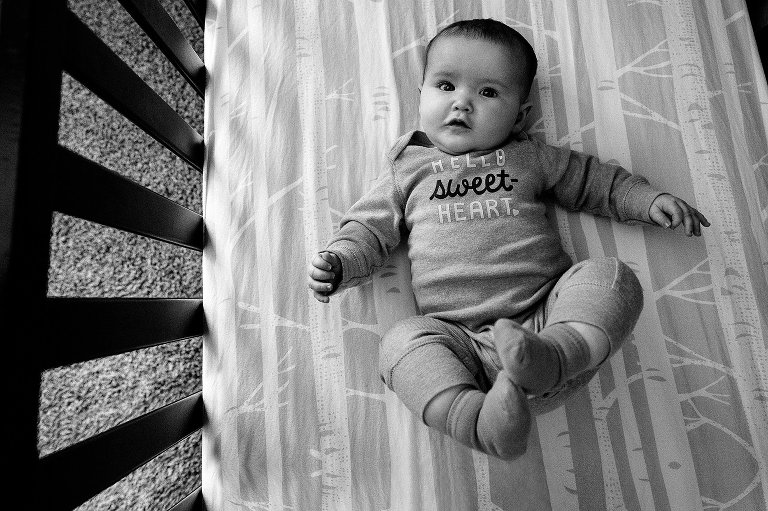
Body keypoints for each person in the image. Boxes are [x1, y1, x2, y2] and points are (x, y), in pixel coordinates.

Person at [307, 19, 709, 460]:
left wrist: (647, 199)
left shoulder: (528, 156)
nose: (462, 102)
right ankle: (478, 421)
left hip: (551, 320)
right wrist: (340, 261)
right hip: (463, 350)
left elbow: (594, 180)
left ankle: (556, 356)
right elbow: (368, 227)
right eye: (445, 85)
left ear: (521, 114)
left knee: (609, 276)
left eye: (488, 93)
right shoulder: (408, 169)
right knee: (400, 345)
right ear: (420, 94)